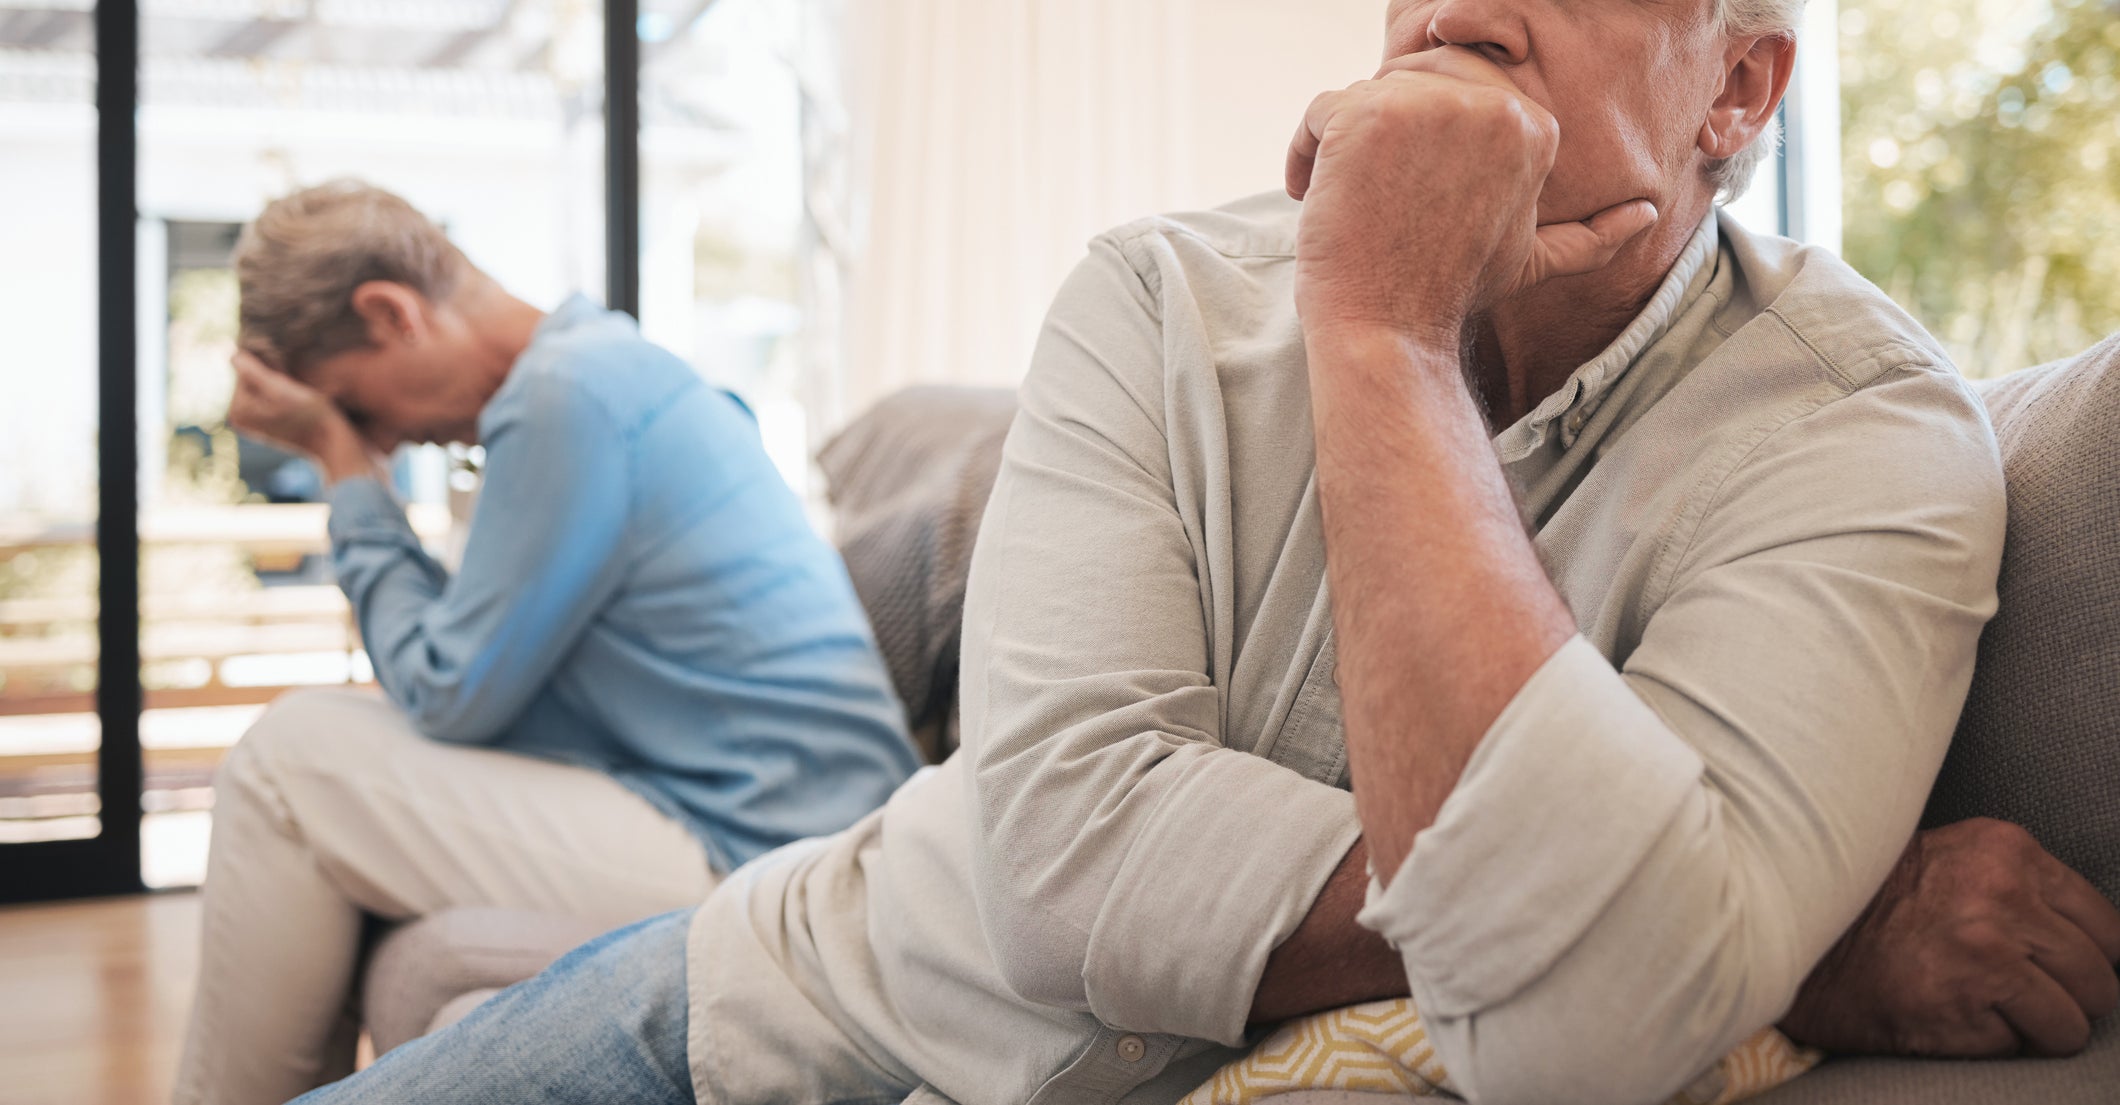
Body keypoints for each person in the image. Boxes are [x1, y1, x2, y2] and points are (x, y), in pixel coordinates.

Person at [286, 1, 2120, 1104]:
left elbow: (1585, 1026)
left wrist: (1384, 340)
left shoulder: (1861, 435)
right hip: (791, 1011)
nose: (1459, 5)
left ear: (1741, 89)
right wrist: (1737, 934)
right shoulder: (1160, 290)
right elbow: (1064, 859)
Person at [173, 181, 923, 1105]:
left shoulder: (568, 397)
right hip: (761, 821)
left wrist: (344, 464)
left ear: (392, 313)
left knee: (287, 762)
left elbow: (446, 689)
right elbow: (472, 670)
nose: (389, 436)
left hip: (774, 854)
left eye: (357, 405)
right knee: (322, 750)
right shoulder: (604, 368)